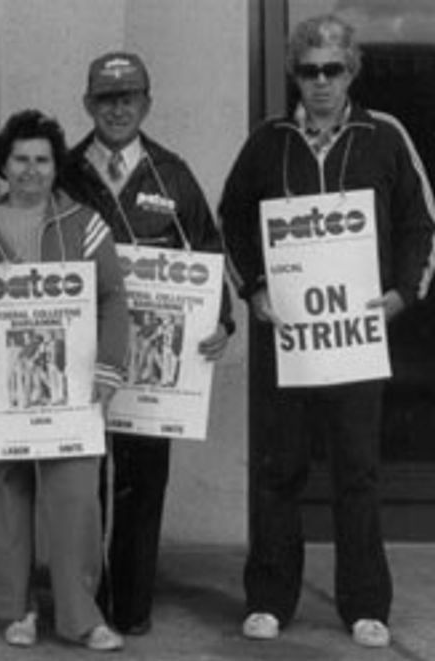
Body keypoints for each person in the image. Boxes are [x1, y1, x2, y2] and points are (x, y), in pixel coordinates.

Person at [219, 14, 435, 649]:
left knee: (357, 471)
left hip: (356, 338)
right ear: (295, 73)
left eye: (331, 70)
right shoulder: (267, 142)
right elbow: (232, 221)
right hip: (286, 339)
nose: (320, 82)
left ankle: (365, 605)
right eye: (309, 70)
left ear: (351, 71)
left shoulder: (384, 136)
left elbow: (421, 225)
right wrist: (253, 288)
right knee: (278, 469)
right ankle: (269, 599)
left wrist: (402, 292)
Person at [0, 110, 129, 652]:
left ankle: (82, 617)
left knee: (75, 500)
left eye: (42, 160)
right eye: (20, 159)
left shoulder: (85, 224)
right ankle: (17, 610)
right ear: (3, 164)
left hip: (71, 389)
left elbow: (113, 296)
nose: (31, 170)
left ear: (56, 166)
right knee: (5, 499)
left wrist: (110, 366)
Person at [60, 51, 234, 636]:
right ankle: (83, 603)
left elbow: (207, 251)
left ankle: (131, 606)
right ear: (88, 104)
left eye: (128, 98)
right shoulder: (65, 172)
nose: (117, 110)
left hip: (153, 362)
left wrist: (221, 321)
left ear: (147, 104)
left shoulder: (171, 174)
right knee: (81, 484)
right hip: (81, 355)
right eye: (106, 99)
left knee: (143, 480)